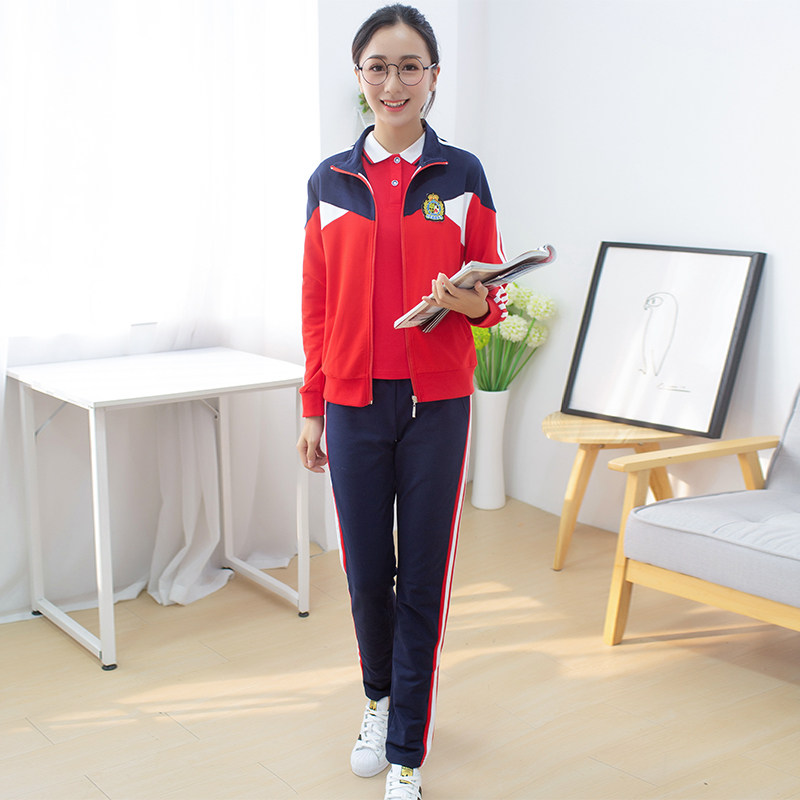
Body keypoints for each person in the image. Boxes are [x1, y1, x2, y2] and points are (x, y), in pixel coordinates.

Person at [296, 5, 507, 798]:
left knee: (422, 576)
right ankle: (379, 701)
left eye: (410, 65)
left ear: (434, 76)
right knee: (364, 574)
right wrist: (312, 405)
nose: (394, 82)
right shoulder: (330, 180)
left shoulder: (463, 175)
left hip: (437, 406)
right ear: (359, 77)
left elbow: (493, 297)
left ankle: (409, 750)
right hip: (352, 404)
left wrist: (465, 300)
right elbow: (316, 304)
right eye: (378, 66)